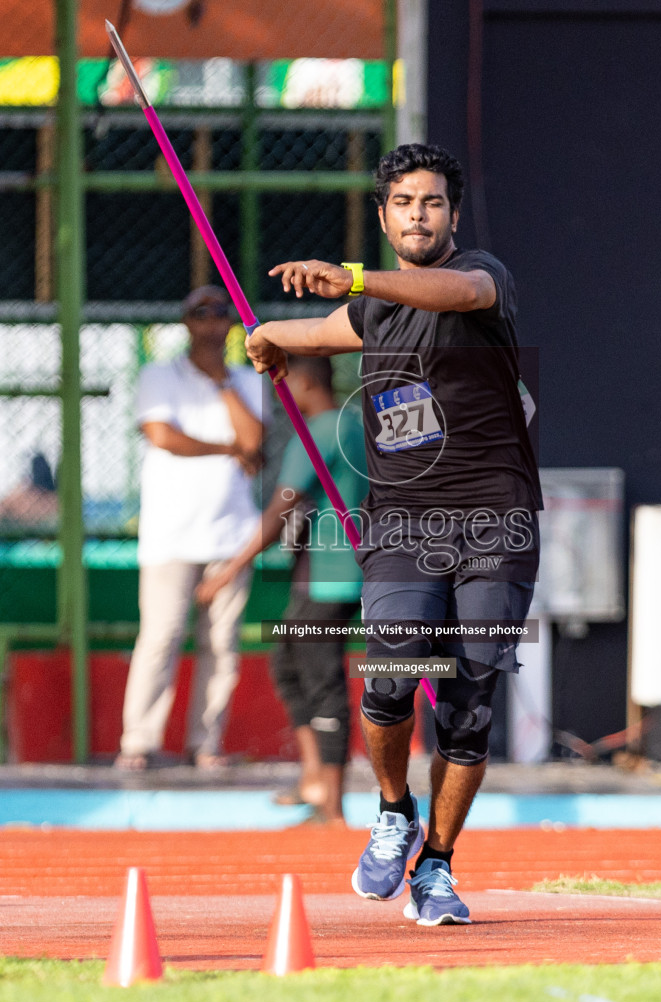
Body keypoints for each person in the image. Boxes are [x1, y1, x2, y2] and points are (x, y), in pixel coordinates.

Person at [246, 143, 541, 925]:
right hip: (405, 524)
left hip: (494, 521)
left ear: (453, 214)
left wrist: (350, 276)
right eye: (405, 202)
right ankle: (391, 810)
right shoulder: (371, 311)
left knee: (470, 701)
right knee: (391, 676)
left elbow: (457, 290)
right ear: (384, 215)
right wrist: (269, 335)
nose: (419, 214)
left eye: (433, 202)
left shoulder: (482, 278)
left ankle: (437, 867)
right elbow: (309, 333)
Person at [197, 355, 366, 824]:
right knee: (288, 664)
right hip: (337, 568)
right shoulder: (352, 425)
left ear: (306, 381)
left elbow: (279, 512)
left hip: (330, 572)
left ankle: (331, 803)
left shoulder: (317, 432)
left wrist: (228, 572)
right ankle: (315, 778)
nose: (278, 391)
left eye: (283, 382)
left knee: (320, 677)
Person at [118, 285, 265, 770]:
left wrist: (222, 383)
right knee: (160, 637)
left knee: (221, 647)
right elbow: (163, 436)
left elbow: (254, 439)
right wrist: (227, 450)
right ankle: (138, 743)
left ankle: (206, 743)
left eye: (220, 313)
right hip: (170, 535)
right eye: (200, 312)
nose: (210, 321)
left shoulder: (247, 379)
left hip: (231, 535)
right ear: (185, 322)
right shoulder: (158, 375)